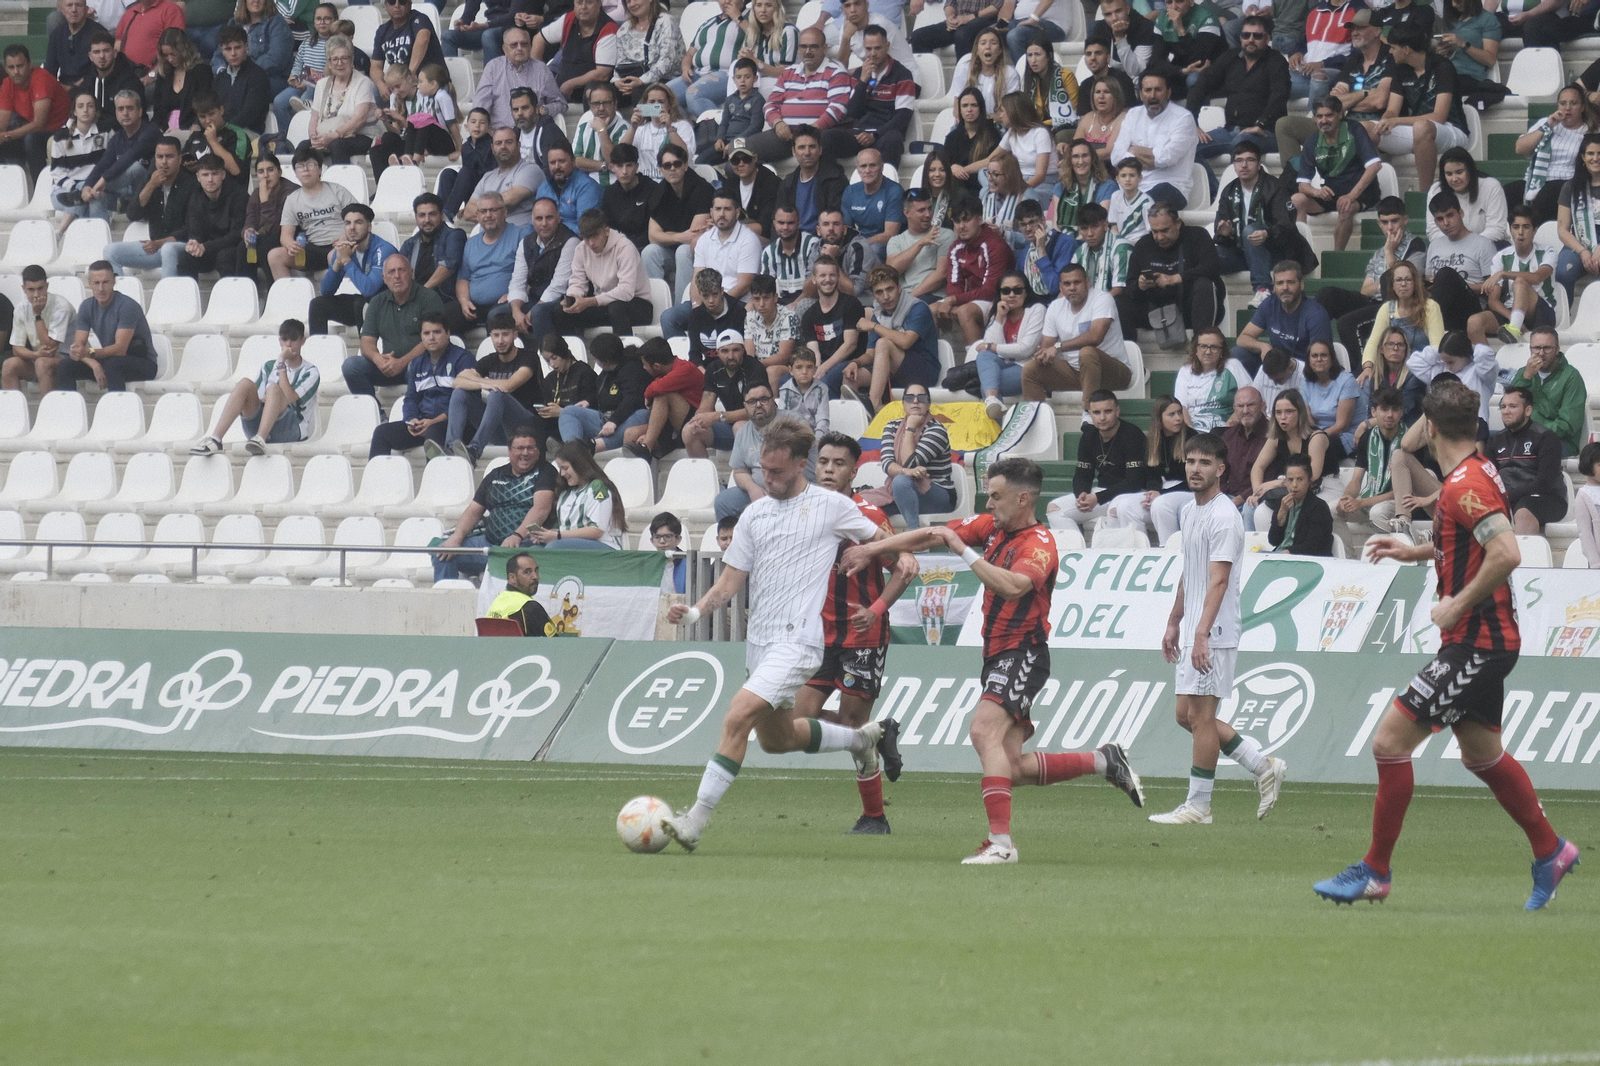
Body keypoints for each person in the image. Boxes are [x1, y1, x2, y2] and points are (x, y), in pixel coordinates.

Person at [1319, 381, 1578, 908]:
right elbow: (1468, 538)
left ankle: (1376, 871)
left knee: (1389, 744)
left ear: (1430, 427)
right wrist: (1414, 552)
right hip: (1483, 638)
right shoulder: (1474, 473)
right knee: (1481, 756)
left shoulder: (1465, 484)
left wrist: (1457, 604)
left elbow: (1506, 552)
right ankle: (1551, 851)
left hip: (1476, 640)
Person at [847, 457, 1147, 863]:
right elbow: (934, 533)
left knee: (982, 731)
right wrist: (873, 548)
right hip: (996, 655)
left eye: (997, 496)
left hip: (1023, 652)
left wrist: (963, 553)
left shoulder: (1039, 543)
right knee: (1012, 766)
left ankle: (1001, 844)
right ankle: (1103, 760)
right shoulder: (994, 528)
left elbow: (1013, 586)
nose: (989, 504)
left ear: (1023, 499)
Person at [659, 416, 903, 853]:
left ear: (799, 466)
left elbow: (893, 549)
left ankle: (694, 821)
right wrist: (695, 611)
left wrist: (875, 553)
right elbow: (730, 582)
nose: (767, 480)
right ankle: (863, 739)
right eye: (762, 471)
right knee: (777, 740)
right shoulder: (755, 514)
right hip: (761, 643)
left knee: (737, 716)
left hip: (801, 643)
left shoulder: (833, 507)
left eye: (776, 472)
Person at [1147, 432, 1288, 825]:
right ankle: (1262, 766)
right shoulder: (1190, 512)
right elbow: (1190, 573)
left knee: (1202, 718)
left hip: (1216, 630)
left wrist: (1201, 633)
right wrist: (1175, 620)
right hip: (1195, 624)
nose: (1195, 469)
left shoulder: (1225, 517)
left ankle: (1199, 806)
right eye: (1191, 461)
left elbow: (1219, 581)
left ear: (1221, 470)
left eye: (1204, 463)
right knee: (1184, 715)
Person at [778, 431, 912, 833]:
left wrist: (875, 610)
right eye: (824, 462)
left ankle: (874, 816)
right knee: (800, 722)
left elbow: (904, 567)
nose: (830, 470)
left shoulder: (868, 517)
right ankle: (881, 732)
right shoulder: (800, 512)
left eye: (839, 464)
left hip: (862, 637)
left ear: (854, 471)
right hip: (817, 637)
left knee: (854, 730)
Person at [433, 427, 559, 583]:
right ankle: (448, 600)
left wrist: (517, 535)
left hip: (525, 547)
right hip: (490, 545)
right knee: (441, 551)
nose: (525, 453)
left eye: (530, 448)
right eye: (520, 448)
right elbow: (473, 511)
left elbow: (541, 509)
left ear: (538, 451)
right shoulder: (495, 474)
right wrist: (456, 538)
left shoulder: (546, 471)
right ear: (509, 451)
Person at [190, 317, 319, 457]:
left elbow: (290, 399)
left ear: (302, 340)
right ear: (279, 340)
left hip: (291, 428)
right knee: (245, 384)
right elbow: (256, 399)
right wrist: (268, 399)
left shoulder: (311, 372)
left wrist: (281, 363)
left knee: (274, 389)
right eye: (284, 339)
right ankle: (215, 439)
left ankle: (260, 439)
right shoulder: (268, 366)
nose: (288, 344)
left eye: (293, 339)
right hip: (261, 423)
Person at [1368, 25, 1470, 201]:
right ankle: (1376, 192)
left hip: (1451, 129)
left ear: (1406, 49)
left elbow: (1439, 116)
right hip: (1416, 129)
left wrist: (1397, 120)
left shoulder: (1442, 67)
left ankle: (1426, 195)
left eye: (1393, 47)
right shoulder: (1400, 70)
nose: (1390, 52)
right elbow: (1392, 109)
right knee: (1364, 128)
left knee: (1422, 128)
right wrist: (1386, 120)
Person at [1319, 198, 1428, 357]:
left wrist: (1390, 253)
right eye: (1385, 222)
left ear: (1405, 220)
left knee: (1347, 323)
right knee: (1327, 295)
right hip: (1373, 303)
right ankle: (1318, 351)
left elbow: (1403, 285)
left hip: (1397, 307)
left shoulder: (1416, 246)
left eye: (1395, 221)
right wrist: (1382, 284)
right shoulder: (1379, 253)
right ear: (1379, 224)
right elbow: (1364, 290)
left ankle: (1363, 371)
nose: (1390, 228)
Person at [1214, 140, 1315, 304]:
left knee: (1250, 230)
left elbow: (1287, 224)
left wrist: (1267, 233)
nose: (1244, 165)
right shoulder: (1229, 191)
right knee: (1209, 256)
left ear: (1259, 164)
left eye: (1250, 160)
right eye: (1239, 161)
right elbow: (1222, 230)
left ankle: (1262, 290)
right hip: (1242, 254)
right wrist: (1224, 234)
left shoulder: (1275, 187)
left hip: (1278, 252)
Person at [530, 209, 653, 342]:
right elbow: (577, 282)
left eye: (595, 236)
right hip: (603, 303)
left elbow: (626, 292)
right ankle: (570, 356)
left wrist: (590, 301)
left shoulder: (625, 248)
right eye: (586, 237)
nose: (591, 243)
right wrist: (573, 299)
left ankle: (626, 355)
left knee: (616, 308)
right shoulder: (581, 249)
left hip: (638, 304)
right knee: (562, 311)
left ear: (606, 231)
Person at [1186, 15, 1289, 171]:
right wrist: (1192, 121)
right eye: (1246, 35)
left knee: (1241, 144)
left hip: (1265, 133)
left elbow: (1279, 95)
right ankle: (1213, 191)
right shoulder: (1230, 57)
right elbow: (1202, 84)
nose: (1250, 39)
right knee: (1186, 148)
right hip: (1230, 130)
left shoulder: (1277, 61)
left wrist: (1260, 124)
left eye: (1257, 35)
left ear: (1267, 38)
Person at [1023, 261, 1129, 410]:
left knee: (1087, 352)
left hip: (1115, 373)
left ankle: (1088, 413)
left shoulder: (1102, 299)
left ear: (1087, 283)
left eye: (1077, 282)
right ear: (1061, 287)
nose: (1072, 287)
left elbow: (1095, 337)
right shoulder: (1055, 307)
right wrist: (1043, 355)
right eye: (1067, 284)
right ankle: (1036, 420)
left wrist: (1058, 347)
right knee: (1030, 369)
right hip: (1076, 372)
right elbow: (1047, 347)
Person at [367, 312, 473, 459]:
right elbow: (411, 398)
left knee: (432, 435)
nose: (431, 337)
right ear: (421, 336)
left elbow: (466, 401)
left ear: (447, 333)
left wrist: (433, 422)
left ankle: (434, 481)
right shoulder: (417, 363)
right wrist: (412, 420)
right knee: (382, 433)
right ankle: (375, 480)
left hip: (454, 425)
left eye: (437, 332)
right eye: (426, 333)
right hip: (423, 424)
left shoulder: (463, 359)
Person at [446, 308, 544, 463]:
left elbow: (508, 386)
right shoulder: (488, 361)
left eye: (505, 334)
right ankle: (450, 447)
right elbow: (457, 381)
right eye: (496, 335)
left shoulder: (529, 358)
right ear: (490, 337)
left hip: (526, 426)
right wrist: (483, 383)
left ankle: (474, 449)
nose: (500, 341)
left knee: (498, 394)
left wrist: (482, 383)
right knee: (460, 393)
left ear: (515, 335)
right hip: (499, 430)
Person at [660, 191, 761, 340]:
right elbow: (697, 279)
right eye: (717, 209)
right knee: (668, 318)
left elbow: (744, 285)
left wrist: (717, 305)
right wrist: (697, 308)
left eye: (727, 209)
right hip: (708, 301)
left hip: (736, 303)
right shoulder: (704, 240)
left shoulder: (749, 240)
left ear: (737, 212)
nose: (721, 214)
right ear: (711, 213)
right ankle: (683, 359)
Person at [746, 27, 854, 164]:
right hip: (785, 135)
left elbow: (837, 108)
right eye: (803, 46)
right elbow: (770, 104)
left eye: (813, 47)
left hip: (817, 135)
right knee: (743, 151)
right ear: (798, 49)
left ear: (824, 48)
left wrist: (808, 132)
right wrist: (778, 123)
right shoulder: (788, 72)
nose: (807, 51)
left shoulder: (836, 72)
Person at [1045, 389, 1146, 534]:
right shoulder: (1089, 436)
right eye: (1097, 413)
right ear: (1090, 414)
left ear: (1117, 411)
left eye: (1108, 411)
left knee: (1115, 510)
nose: (1102, 417)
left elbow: (1134, 482)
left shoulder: (1132, 434)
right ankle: (1076, 552)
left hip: (1130, 495)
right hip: (1101, 493)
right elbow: (1082, 474)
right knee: (1054, 508)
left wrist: (1098, 498)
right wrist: (1082, 495)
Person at [1290, 96, 1384, 253]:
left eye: (1329, 115)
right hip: (1331, 195)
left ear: (1340, 114)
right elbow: (1302, 185)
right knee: (1297, 200)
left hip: (1362, 194)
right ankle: (1301, 253)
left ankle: (1336, 255)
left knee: (1346, 207)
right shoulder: (1312, 142)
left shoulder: (1354, 130)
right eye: (1319, 116)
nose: (1324, 120)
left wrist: (1351, 196)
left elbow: (1375, 166)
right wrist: (1316, 192)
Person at [344, 254, 446, 396]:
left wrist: (402, 362)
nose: (397, 276)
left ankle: (417, 413)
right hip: (389, 367)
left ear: (411, 273)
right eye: (391, 272)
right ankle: (376, 413)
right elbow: (366, 341)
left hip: (422, 366)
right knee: (351, 366)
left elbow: (434, 339)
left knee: (415, 367)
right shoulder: (377, 302)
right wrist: (377, 358)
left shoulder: (429, 298)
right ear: (384, 278)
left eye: (401, 270)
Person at [1126, 204, 1223, 346]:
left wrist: (1176, 278)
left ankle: (1200, 347)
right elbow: (1129, 286)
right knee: (1119, 302)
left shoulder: (1197, 236)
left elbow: (1212, 268)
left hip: (1190, 307)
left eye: (1165, 230)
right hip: (1155, 310)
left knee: (1205, 285)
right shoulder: (1143, 245)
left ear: (1177, 223)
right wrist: (1140, 285)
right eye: (1154, 232)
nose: (1159, 237)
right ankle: (1128, 354)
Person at [102, 136, 192, 277]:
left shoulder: (191, 184)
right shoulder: (152, 179)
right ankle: (118, 297)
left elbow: (190, 229)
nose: (164, 162)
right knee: (110, 251)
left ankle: (166, 297)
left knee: (168, 249)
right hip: (155, 248)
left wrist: (159, 243)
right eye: (160, 157)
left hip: (182, 247)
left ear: (179, 159)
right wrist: (151, 185)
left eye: (169, 157)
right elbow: (132, 214)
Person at [1106, 393, 1190, 542]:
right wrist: (1154, 491)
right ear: (1159, 418)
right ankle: (1138, 550)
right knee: (1125, 506)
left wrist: (1162, 493)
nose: (1177, 418)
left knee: (1159, 504)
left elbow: (1191, 481)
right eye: (1171, 414)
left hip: (1186, 491)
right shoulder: (1152, 441)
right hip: (1164, 490)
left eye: (1179, 413)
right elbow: (1152, 474)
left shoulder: (1191, 438)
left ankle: (1168, 547)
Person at [1110, 71, 1200, 209]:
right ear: (1140, 94)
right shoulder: (1133, 115)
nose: (1152, 96)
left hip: (1171, 188)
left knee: (1147, 200)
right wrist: (1150, 157)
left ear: (1168, 93)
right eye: (1147, 90)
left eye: (1158, 90)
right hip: (1133, 187)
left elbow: (1167, 158)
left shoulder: (1183, 118)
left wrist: (1132, 151)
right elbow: (1116, 157)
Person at [62, 261, 155, 392]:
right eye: (96, 283)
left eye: (105, 282)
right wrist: (93, 363)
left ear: (113, 282)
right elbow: (79, 347)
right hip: (111, 359)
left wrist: (90, 353)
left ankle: (116, 410)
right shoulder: (86, 307)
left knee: (113, 365)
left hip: (142, 361)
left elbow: (120, 349)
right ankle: (68, 410)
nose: (101, 288)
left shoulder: (127, 306)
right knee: (65, 365)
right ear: (89, 284)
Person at [1487, 386, 1568, 535]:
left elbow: (1544, 483)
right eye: (1503, 407)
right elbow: (1487, 477)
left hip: (1547, 499)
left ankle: (1524, 558)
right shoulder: (1495, 440)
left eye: (1512, 406)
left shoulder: (1545, 437)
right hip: (1508, 499)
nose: (1506, 411)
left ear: (1528, 410)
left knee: (1524, 509)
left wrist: (1508, 496)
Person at [933, 199, 1014, 348]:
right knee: (929, 310)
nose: (961, 226)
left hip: (997, 300)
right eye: (957, 221)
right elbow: (954, 284)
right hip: (973, 299)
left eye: (966, 220)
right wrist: (954, 301)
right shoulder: (956, 247)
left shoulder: (995, 246)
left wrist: (954, 300)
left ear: (980, 219)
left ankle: (975, 363)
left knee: (965, 312)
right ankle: (933, 360)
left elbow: (990, 291)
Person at [858, 264, 939, 412]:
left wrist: (874, 326)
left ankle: (873, 405)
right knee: (851, 376)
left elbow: (906, 342)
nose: (886, 296)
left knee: (883, 343)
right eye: (879, 292)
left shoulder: (918, 308)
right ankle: (850, 429)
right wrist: (856, 363)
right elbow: (870, 353)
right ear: (873, 296)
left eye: (890, 289)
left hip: (925, 371)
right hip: (893, 369)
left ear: (899, 288)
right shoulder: (879, 313)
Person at [1247, 388, 1330, 532]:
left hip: (1324, 485)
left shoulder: (1316, 437)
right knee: (1255, 510)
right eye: (1278, 413)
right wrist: (1257, 492)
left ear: (1300, 413)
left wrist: (1274, 483)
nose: (1283, 417)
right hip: (1294, 486)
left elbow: (1313, 475)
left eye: (1289, 412)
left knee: (1302, 510)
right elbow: (1258, 467)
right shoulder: (1277, 437)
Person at [1231, 261, 1332, 379]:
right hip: (1277, 365)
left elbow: (1321, 360)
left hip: (1305, 371)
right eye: (1280, 283)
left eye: (1290, 282)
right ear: (1274, 288)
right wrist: (1262, 346)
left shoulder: (1316, 314)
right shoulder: (1269, 304)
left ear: (1302, 285)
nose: (1285, 288)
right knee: (1237, 354)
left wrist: (1290, 366)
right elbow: (1243, 338)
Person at [309, 203, 399, 334]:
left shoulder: (383, 249)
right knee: (318, 304)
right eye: (347, 223)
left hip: (390, 305)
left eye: (358, 222)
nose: (352, 228)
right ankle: (317, 352)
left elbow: (369, 289)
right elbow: (326, 291)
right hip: (365, 304)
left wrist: (346, 260)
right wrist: (337, 263)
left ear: (369, 226)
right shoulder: (344, 249)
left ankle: (368, 351)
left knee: (361, 303)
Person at [966, 268, 1044, 417]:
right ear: (1000, 294)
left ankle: (996, 421)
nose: (1011, 295)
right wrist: (999, 318)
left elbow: (1026, 349)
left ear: (1026, 292)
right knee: (984, 357)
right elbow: (989, 347)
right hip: (1005, 365)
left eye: (1017, 290)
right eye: (1006, 291)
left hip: (1028, 367)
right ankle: (992, 399)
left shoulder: (1036, 310)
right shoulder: (999, 313)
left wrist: (992, 347)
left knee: (987, 384)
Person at [643, 141, 713, 303]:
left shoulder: (702, 189)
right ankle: (657, 306)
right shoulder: (659, 192)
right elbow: (653, 236)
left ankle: (682, 307)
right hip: (673, 248)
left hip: (700, 252)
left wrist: (667, 235)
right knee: (649, 252)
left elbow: (695, 235)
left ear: (686, 165)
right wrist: (679, 236)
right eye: (667, 165)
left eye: (677, 164)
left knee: (683, 251)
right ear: (661, 169)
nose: (672, 168)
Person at [267, 145, 352, 279]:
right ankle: (287, 297)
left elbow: (360, 217)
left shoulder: (337, 191)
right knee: (275, 256)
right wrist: (290, 244)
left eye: (310, 165)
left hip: (340, 243)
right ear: (295, 173)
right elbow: (285, 235)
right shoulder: (292, 200)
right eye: (300, 166)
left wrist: (347, 237)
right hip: (313, 248)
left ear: (320, 169)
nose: (305, 169)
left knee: (334, 256)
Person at [1514, 84, 1595, 225]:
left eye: (1573, 103)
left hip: (1569, 183)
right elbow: (1520, 149)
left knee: (1550, 191)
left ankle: (1534, 230)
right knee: (1510, 191)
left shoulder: (1589, 132)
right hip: (1537, 181)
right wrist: (1548, 126)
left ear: (1582, 108)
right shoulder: (1546, 123)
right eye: (1563, 103)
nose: (1567, 108)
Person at [523, 441, 627, 550]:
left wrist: (557, 536)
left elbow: (596, 530)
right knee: (533, 549)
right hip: (569, 543)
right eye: (560, 469)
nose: (562, 474)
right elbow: (568, 530)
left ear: (579, 464)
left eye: (565, 468)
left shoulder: (597, 487)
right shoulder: (566, 492)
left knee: (554, 548)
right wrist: (547, 534)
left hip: (603, 545)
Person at [457, 191, 535, 334]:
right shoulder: (471, 243)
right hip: (474, 306)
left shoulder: (521, 234)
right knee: (449, 315)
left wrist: (515, 294)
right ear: (478, 215)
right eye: (483, 211)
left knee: (496, 317)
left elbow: (533, 271)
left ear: (505, 212)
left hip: (507, 302)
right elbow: (463, 279)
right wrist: (464, 301)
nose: (488, 215)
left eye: (493, 210)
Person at [834, 26, 912, 166]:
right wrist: (863, 82)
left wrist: (875, 135)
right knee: (825, 139)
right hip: (859, 133)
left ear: (887, 46)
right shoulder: (860, 73)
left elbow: (903, 115)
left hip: (884, 134)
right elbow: (852, 112)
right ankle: (834, 183)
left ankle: (888, 184)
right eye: (869, 49)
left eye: (877, 48)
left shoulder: (903, 74)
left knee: (893, 140)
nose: (873, 53)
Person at [880, 385, 956, 529]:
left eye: (921, 398)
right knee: (865, 502)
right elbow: (887, 463)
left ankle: (914, 535)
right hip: (905, 491)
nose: (915, 401)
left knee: (901, 482)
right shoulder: (891, 426)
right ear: (903, 404)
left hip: (938, 493)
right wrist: (906, 472)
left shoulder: (936, 430)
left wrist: (910, 429)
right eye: (909, 398)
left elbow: (911, 463)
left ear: (928, 404)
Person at [1425, 190, 1501, 334]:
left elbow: (1494, 287)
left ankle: (1429, 327)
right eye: (1440, 219)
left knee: (1446, 275)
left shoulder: (1483, 244)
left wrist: (1455, 285)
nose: (1446, 223)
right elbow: (1429, 280)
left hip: (1470, 308)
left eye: (1450, 215)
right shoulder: (1434, 245)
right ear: (1435, 222)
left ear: (1461, 213)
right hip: (1440, 305)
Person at [684, 328, 766, 458]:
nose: (731, 356)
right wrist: (699, 419)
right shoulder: (713, 369)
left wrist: (718, 416)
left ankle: (750, 475)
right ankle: (704, 477)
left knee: (740, 426)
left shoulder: (754, 368)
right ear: (717, 353)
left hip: (760, 427)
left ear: (743, 350)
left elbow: (758, 410)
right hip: (730, 427)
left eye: (736, 350)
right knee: (690, 430)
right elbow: (707, 401)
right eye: (725, 351)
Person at [1507, 327, 1587, 457]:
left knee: (1522, 451)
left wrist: (1531, 429)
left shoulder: (1571, 376)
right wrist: (1525, 378)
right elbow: (1507, 406)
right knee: (1490, 441)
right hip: (1521, 436)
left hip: (1559, 442)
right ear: (1530, 349)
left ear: (1557, 349)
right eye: (1536, 348)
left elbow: (1566, 426)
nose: (1541, 353)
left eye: (1547, 348)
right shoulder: (1524, 372)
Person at [1336, 384, 1405, 533]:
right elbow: (1356, 480)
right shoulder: (1367, 437)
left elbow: (1403, 491)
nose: (1390, 415)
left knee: (1377, 513)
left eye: (1395, 409)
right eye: (1385, 409)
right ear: (1374, 411)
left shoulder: (1408, 440)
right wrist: (1346, 498)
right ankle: (1347, 556)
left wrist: (1362, 502)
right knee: (1332, 511)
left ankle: (1395, 553)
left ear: (1401, 412)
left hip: (1399, 503)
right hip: (1370, 498)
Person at [711, 381, 783, 521]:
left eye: (763, 399)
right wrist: (752, 489)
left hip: (789, 490)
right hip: (759, 491)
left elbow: (804, 468)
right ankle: (732, 541)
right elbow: (739, 471)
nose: (758, 405)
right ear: (745, 406)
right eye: (752, 401)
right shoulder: (743, 432)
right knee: (723, 502)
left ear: (773, 400)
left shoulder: (792, 424)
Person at [304, 34, 381, 165]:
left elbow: (359, 119)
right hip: (328, 134)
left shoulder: (363, 83)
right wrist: (313, 138)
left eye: (344, 58)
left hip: (361, 135)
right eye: (335, 59)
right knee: (304, 148)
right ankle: (312, 184)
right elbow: (314, 117)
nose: (340, 63)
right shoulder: (322, 84)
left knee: (337, 145)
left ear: (352, 61)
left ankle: (341, 184)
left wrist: (334, 135)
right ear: (329, 62)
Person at [624, 335, 706, 459]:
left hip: (694, 423)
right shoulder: (663, 374)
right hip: (670, 427)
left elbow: (657, 388)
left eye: (644, 364)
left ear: (657, 366)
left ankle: (647, 445)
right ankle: (644, 474)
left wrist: (647, 393)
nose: (644, 368)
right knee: (630, 435)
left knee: (663, 397)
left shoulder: (686, 369)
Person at [472, 26, 565, 134]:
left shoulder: (542, 70)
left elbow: (561, 103)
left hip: (533, 135)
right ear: (505, 49)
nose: (519, 48)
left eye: (524, 44)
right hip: (500, 137)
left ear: (530, 47)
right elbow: (480, 106)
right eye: (514, 45)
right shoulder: (493, 67)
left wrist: (546, 109)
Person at [0, 44, 72, 179]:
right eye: (11, 67)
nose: (16, 71)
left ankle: (38, 188)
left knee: (31, 139)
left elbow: (39, 124)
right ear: (6, 69)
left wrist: (6, 136)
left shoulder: (41, 79)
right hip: (31, 127)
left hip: (60, 128)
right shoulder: (7, 83)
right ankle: (10, 190)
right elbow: (2, 123)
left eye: (20, 66)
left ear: (30, 64)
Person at [47, 91, 113, 232]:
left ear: (95, 111)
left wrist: (89, 188)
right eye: (81, 106)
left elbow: (111, 161)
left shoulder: (105, 132)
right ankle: (98, 237)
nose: (85, 110)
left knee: (92, 196)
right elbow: (56, 171)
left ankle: (62, 231)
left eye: (90, 106)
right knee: (83, 195)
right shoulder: (61, 136)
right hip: (65, 192)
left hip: (95, 187)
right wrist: (76, 189)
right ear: (74, 112)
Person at [3, 265, 75, 394]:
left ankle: (47, 412)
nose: (36, 295)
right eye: (31, 289)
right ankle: (15, 412)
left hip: (70, 358)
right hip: (40, 358)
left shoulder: (61, 306)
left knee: (42, 363)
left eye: (40, 288)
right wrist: (35, 354)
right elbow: (16, 348)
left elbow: (49, 346)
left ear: (47, 286)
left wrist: (37, 315)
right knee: (9, 365)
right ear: (24, 289)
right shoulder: (21, 308)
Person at [173, 151, 245, 277]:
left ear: (223, 175)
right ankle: (188, 296)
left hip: (233, 248)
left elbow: (236, 235)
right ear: (198, 177)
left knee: (225, 257)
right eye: (205, 175)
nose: (210, 180)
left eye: (214, 174)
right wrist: (194, 243)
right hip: (208, 249)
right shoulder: (196, 198)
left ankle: (228, 296)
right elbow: (195, 232)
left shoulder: (239, 196)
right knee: (186, 258)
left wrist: (205, 246)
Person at [670, 0, 744, 117]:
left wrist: (737, 17)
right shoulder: (708, 23)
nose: (727, 1)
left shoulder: (750, 18)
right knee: (655, 98)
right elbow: (689, 53)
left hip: (727, 75)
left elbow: (757, 36)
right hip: (696, 74)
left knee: (694, 94)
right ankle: (686, 129)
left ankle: (722, 130)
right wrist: (685, 68)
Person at [1425, 149, 1508, 248]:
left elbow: (1496, 229)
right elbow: (1433, 231)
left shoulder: (1491, 187)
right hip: (1449, 249)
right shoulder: (1436, 190)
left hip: (1487, 247)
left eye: (1459, 172)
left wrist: (1468, 247)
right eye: (1449, 174)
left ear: (1470, 170)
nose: (1454, 179)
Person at [460, 126, 541, 228]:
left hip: (519, 235)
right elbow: (468, 212)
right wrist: (495, 213)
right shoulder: (487, 177)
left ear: (518, 145)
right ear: (492, 148)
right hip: (488, 237)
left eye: (508, 142)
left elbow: (510, 200)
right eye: (498, 143)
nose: (503, 147)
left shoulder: (530, 170)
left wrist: (483, 212)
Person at [1175, 326, 1251, 432]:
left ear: (1221, 351)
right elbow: (1181, 406)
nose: (1208, 352)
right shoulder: (1185, 371)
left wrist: (1235, 417)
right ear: (1196, 349)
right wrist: (1190, 432)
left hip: (1224, 430)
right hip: (1193, 431)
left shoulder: (1233, 366)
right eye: (1203, 346)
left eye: (1214, 347)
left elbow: (1251, 396)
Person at [885, 189, 954, 304]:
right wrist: (920, 243)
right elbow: (892, 271)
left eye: (929, 208)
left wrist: (910, 298)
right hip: (903, 298)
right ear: (907, 213)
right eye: (921, 210)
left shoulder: (945, 235)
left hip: (933, 297)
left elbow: (942, 274)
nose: (928, 214)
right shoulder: (896, 241)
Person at [611, 0, 684, 106]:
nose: (632, 4)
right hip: (635, 81)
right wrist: (618, 81)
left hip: (666, 80)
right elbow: (621, 63)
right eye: (628, 2)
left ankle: (644, 121)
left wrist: (641, 81)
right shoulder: (624, 29)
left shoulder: (666, 22)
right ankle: (600, 122)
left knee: (643, 93)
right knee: (599, 92)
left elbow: (667, 61)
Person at [1555, 132, 1600, 299]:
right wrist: (1583, 251)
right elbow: (1563, 229)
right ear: (1583, 157)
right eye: (1590, 153)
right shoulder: (1571, 187)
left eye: (1599, 153)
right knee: (1563, 272)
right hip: (1579, 239)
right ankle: (1564, 318)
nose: (1595, 158)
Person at [368, 0, 442, 99]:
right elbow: (375, 67)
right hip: (400, 85)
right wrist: (381, 84)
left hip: (424, 80)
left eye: (402, 2)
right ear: (385, 5)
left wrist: (409, 74)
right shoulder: (382, 31)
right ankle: (386, 114)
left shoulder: (420, 19)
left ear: (409, 4)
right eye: (391, 2)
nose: (397, 5)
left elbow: (423, 39)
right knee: (376, 89)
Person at [1267, 454, 1334, 556]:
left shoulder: (1319, 507)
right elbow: (1273, 541)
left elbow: (1314, 544)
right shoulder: (1283, 503)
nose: (1294, 485)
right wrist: (1280, 517)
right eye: (1290, 480)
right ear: (1285, 482)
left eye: (1300, 479)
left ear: (1309, 481)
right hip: (1281, 557)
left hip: (1307, 562)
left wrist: (1289, 552)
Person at [1361, 326, 1427, 426]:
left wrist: (1367, 424)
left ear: (1406, 350)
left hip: (1408, 428)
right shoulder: (1376, 376)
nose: (1395, 348)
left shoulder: (1414, 375)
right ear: (1382, 349)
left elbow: (1402, 411)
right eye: (1390, 344)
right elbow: (1371, 410)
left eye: (1400, 345)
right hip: (1382, 428)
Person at [149, 29, 212, 133]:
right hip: (165, 130)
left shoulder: (201, 71)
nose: (169, 59)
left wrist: (196, 125)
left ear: (183, 50)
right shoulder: (165, 74)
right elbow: (158, 109)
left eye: (173, 54)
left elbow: (205, 105)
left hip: (190, 129)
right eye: (166, 55)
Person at [1069, 202, 1132, 305]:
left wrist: (1092, 308)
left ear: (1105, 225)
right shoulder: (1079, 252)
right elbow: (1069, 284)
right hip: (1089, 307)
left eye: (1094, 226)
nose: (1089, 234)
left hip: (1117, 307)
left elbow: (1118, 290)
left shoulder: (1121, 248)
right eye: (1084, 228)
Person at [1219, 386, 1269, 517]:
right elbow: (1220, 473)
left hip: (1258, 499)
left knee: (1249, 509)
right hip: (1228, 497)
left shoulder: (1272, 436)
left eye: (1251, 405)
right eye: (1240, 406)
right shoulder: (1229, 436)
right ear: (1234, 409)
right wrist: (1222, 498)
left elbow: (1270, 477)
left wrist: (1238, 500)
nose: (1245, 410)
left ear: (1263, 406)